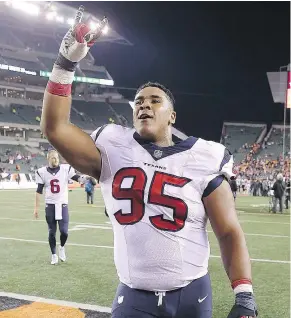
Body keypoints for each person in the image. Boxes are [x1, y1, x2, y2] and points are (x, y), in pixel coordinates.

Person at [40, 9, 257, 318]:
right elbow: (55, 129)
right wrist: (66, 62)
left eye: (155, 100)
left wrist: (244, 294)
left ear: (172, 116)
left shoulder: (205, 157)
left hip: (191, 295)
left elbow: (228, 231)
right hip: (134, 294)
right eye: (139, 101)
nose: (144, 105)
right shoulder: (112, 146)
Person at [34, 149, 81, 265]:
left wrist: (87, 178)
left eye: (56, 157)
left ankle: (62, 247)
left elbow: (77, 178)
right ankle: (54, 254)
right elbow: (38, 191)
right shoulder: (42, 172)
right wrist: (36, 208)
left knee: (64, 232)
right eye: (52, 157)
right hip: (50, 205)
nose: (55, 159)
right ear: (48, 159)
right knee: (52, 232)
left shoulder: (66, 169)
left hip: (62, 204)